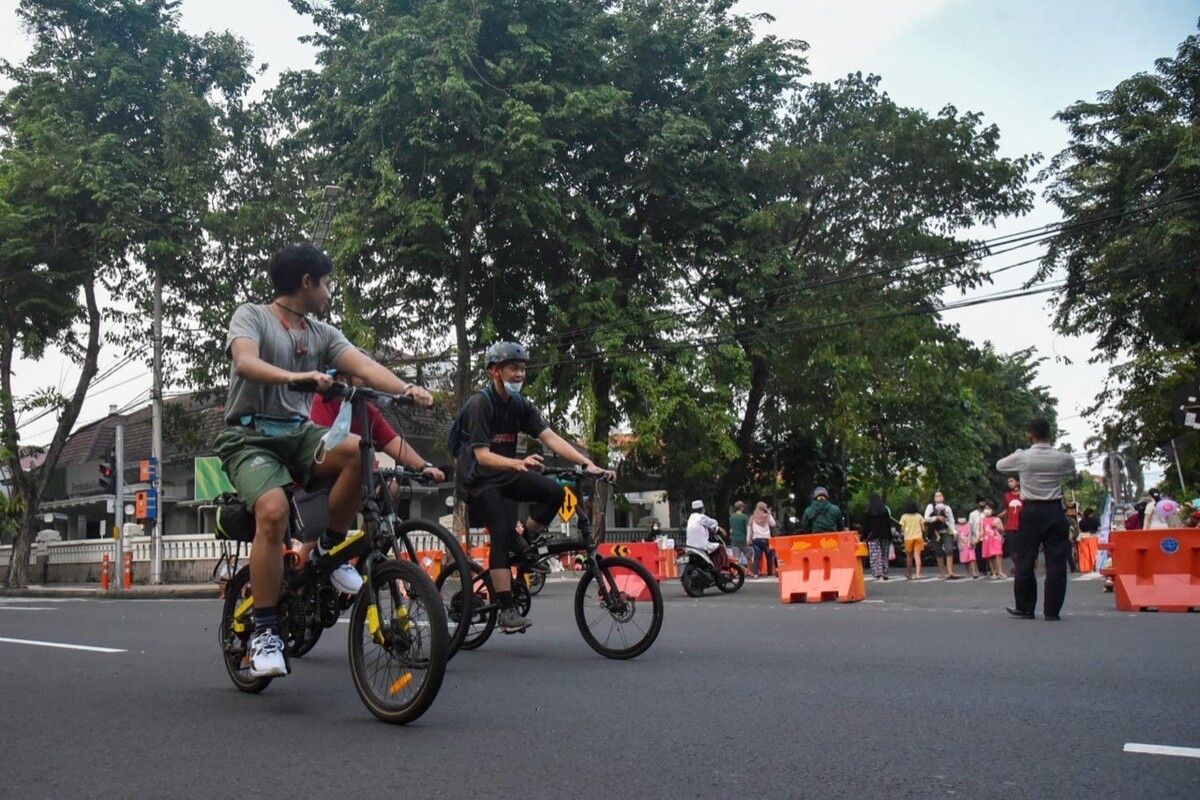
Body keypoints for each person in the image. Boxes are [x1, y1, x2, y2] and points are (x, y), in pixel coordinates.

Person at [215, 242, 434, 678]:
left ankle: (330, 549)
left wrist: (405, 389)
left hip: (298, 435)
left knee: (357, 450)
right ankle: (264, 632)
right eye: (328, 284)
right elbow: (245, 362)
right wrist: (299, 377)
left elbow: (366, 366)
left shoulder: (321, 334)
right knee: (273, 510)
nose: (331, 293)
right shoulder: (251, 316)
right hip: (250, 437)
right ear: (307, 282)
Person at [454, 341, 615, 634]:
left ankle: (524, 541)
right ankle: (505, 610)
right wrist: (517, 464)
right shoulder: (481, 404)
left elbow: (549, 436)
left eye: (523, 369)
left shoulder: (519, 405)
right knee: (501, 531)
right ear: (495, 371)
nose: (520, 374)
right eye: (513, 368)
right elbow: (482, 456)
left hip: (505, 474)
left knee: (554, 492)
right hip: (478, 480)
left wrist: (587, 463)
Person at [995, 417, 1076, 620]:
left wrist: (1018, 453)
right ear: (1050, 434)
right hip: (1055, 510)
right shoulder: (1061, 457)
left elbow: (1000, 465)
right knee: (1056, 562)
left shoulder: (1024, 457)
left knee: (1025, 559)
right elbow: (1071, 467)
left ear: (1030, 434)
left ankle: (1026, 607)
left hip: (1031, 510)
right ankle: (1052, 611)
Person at [685, 499, 729, 570]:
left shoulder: (691, 518)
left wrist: (716, 529)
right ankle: (722, 568)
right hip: (701, 545)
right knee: (720, 547)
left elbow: (706, 527)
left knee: (713, 549)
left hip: (690, 546)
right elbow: (713, 523)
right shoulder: (701, 517)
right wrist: (719, 528)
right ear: (702, 509)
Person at [923, 492, 958, 579]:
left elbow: (951, 520)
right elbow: (926, 518)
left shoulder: (947, 508)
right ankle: (942, 573)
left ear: (943, 497)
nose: (938, 497)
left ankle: (950, 572)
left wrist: (954, 532)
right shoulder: (930, 506)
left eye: (940, 496)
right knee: (938, 552)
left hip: (946, 530)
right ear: (934, 498)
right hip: (935, 532)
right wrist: (936, 517)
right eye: (936, 496)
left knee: (949, 549)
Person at [861, 494, 894, 580]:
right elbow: (888, 524)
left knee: (875, 554)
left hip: (873, 535)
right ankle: (885, 572)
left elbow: (865, 526)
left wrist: (863, 537)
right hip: (885, 535)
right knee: (884, 554)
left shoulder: (868, 511)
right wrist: (890, 536)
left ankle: (877, 572)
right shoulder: (884, 510)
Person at [748, 501, 776, 577]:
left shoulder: (752, 516)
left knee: (757, 557)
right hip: (766, 539)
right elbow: (773, 524)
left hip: (756, 539)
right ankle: (770, 573)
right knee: (769, 556)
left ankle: (756, 573)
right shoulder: (767, 516)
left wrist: (748, 539)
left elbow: (749, 528)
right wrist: (769, 513)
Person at [898, 501, 926, 580]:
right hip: (918, 537)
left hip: (908, 538)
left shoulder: (904, 516)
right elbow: (923, 528)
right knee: (917, 556)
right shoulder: (919, 516)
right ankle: (918, 575)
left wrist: (904, 529)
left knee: (909, 557)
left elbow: (902, 529)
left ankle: (909, 574)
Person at [980, 504, 1007, 579]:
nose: (987, 510)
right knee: (989, 556)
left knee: (998, 554)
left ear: (993, 510)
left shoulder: (997, 519)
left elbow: (1002, 531)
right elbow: (981, 531)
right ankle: (993, 572)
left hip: (996, 539)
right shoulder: (982, 520)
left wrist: (997, 527)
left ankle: (1000, 571)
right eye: (985, 509)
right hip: (987, 539)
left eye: (989, 508)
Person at [967, 496, 991, 576]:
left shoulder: (988, 512)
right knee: (979, 554)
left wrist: (988, 510)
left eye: (983, 502)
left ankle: (991, 569)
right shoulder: (972, 514)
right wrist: (970, 538)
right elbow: (970, 526)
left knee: (989, 554)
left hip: (987, 536)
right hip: (977, 537)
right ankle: (982, 570)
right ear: (977, 504)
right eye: (980, 502)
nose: (982, 504)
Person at [728, 500, 751, 568]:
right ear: (741, 507)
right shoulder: (745, 517)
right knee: (749, 556)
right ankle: (751, 573)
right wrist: (749, 539)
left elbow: (731, 529)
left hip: (734, 540)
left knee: (736, 559)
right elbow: (747, 529)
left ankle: (737, 573)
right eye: (743, 506)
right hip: (743, 540)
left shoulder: (731, 517)